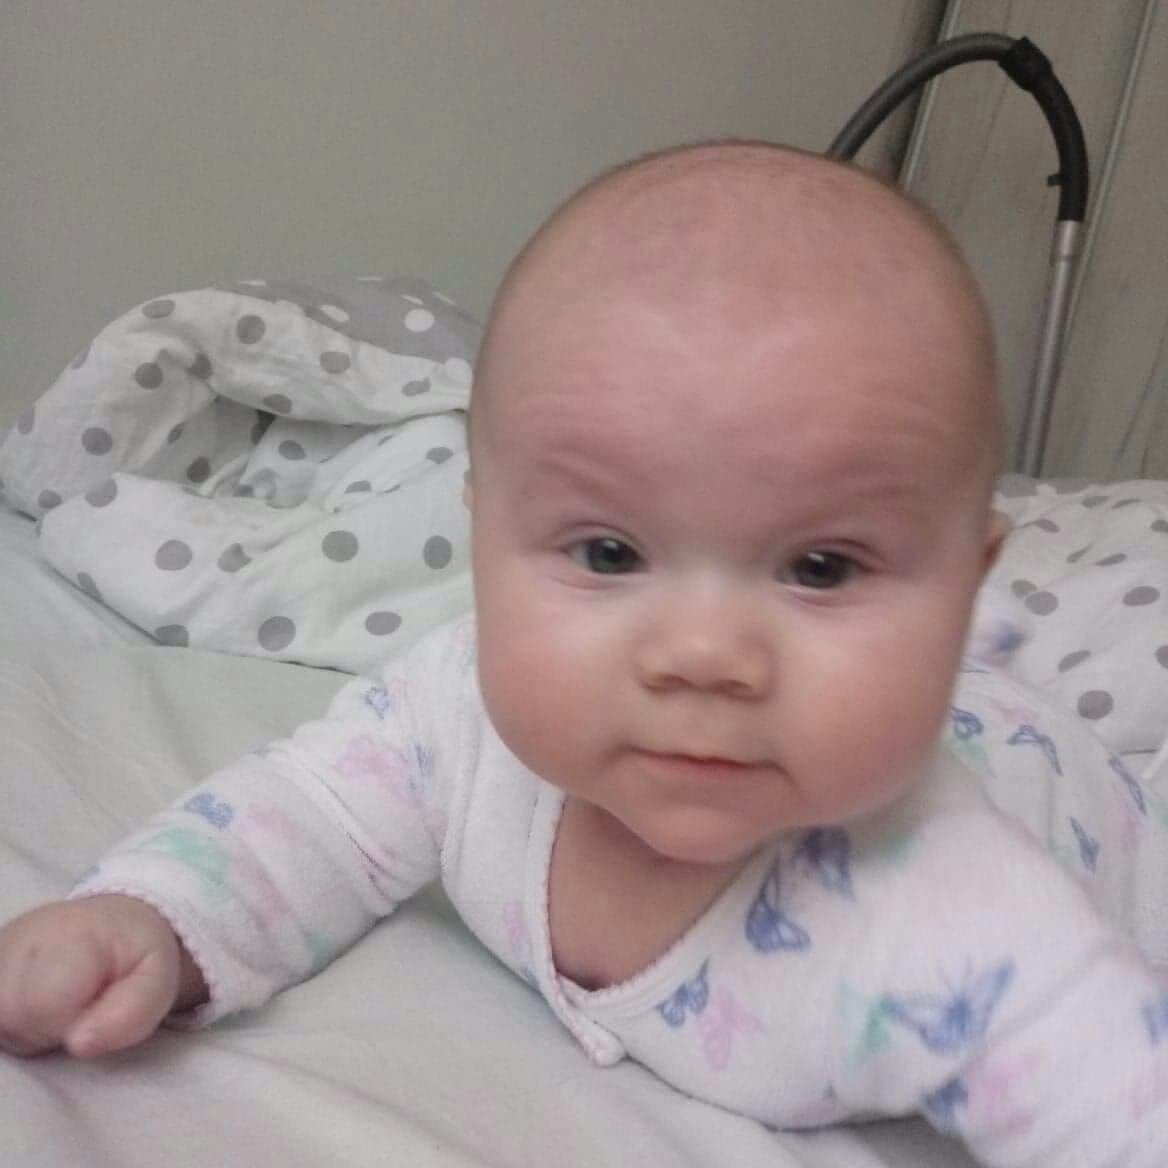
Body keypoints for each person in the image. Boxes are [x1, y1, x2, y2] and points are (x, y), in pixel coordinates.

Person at [1, 142, 1166, 1165]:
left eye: (821, 568)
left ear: (968, 582)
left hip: (1071, 787)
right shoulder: (457, 719)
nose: (704, 655)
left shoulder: (967, 922)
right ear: (480, 534)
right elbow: (307, 816)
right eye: (609, 552)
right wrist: (151, 919)